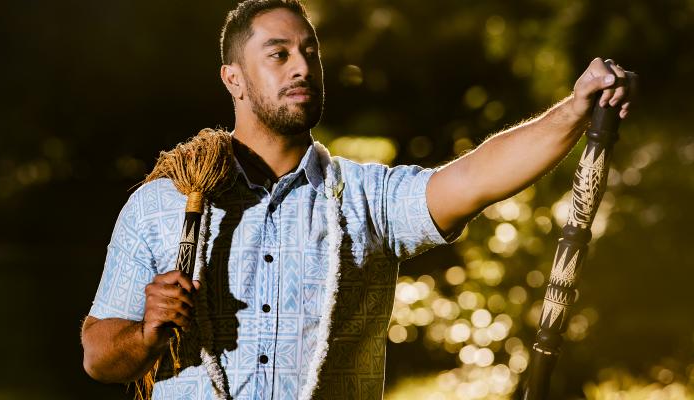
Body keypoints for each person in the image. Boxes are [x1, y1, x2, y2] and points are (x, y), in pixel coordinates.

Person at [80, 0, 635, 399]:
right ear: (234, 79)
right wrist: (146, 332)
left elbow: (473, 179)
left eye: (309, 52)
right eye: (278, 54)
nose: (302, 66)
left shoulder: (367, 198)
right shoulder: (162, 204)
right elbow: (99, 357)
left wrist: (574, 108)